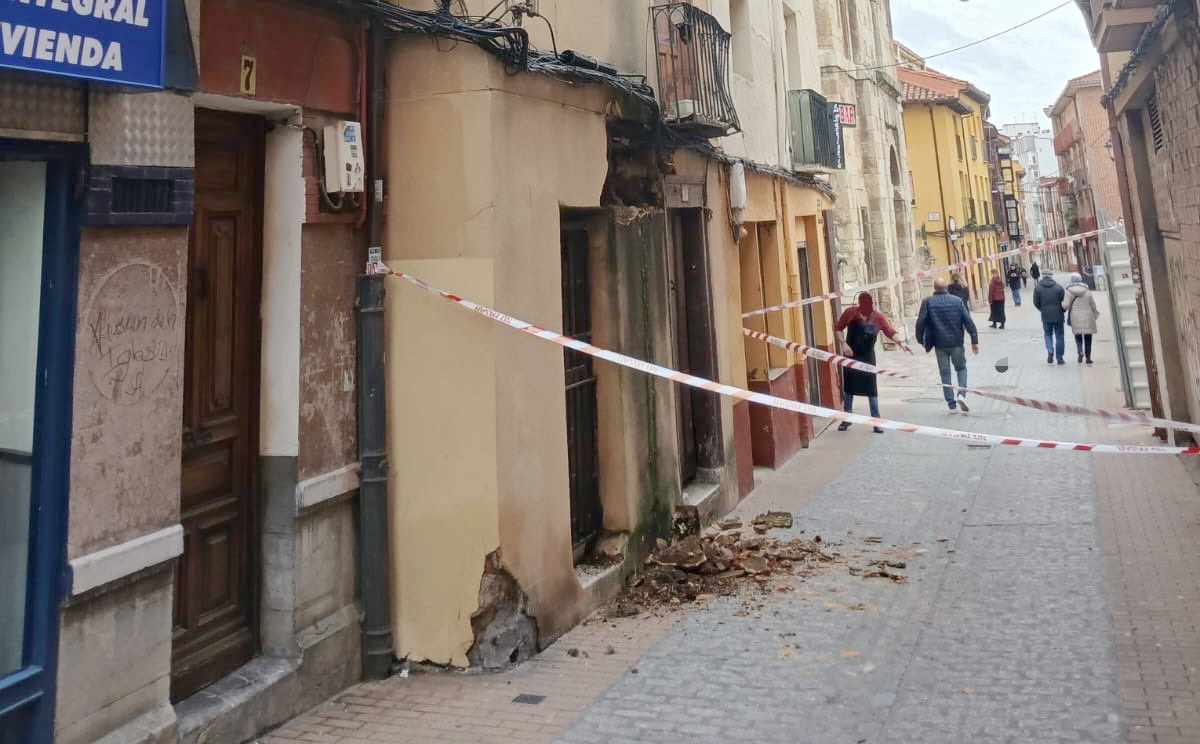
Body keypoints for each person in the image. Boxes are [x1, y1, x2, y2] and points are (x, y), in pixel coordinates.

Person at [834, 293, 910, 433]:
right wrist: (844, 344)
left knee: (871, 389)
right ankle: (847, 418)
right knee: (849, 389)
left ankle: (876, 421)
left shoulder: (878, 317)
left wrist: (901, 343)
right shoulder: (850, 313)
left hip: (868, 357)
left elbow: (889, 331)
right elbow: (838, 328)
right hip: (851, 356)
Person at [916, 277, 980, 413]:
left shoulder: (928, 302)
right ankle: (961, 395)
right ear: (946, 288)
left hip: (939, 344)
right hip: (956, 342)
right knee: (961, 368)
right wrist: (974, 340)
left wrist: (921, 340)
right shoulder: (957, 301)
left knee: (945, 373)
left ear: (934, 288)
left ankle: (951, 403)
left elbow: (920, 322)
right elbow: (968, 321)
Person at [1063, 272, 1100, 364]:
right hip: (1088, 317)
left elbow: (1065, 306)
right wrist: (1095, 314)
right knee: (1088, 337)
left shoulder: (1069, 291)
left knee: (1078, 336)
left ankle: (1080, 351)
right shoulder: (1087, 291)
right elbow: (1093, 305)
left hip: (1075, 317)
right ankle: (1088, 358)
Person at [1033, 270, 1067, 365]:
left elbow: (1036, 303)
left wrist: (1042, 309)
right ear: (1051, 276)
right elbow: (1064, 302)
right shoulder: (1059, 287)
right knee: (1059, 336)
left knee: (1048, 334)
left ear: (1043, 276)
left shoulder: (1038, 288)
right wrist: (1062, 310)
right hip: (1058, 315)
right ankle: (1059, 358)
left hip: (1046, 315)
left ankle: (1050, 351)